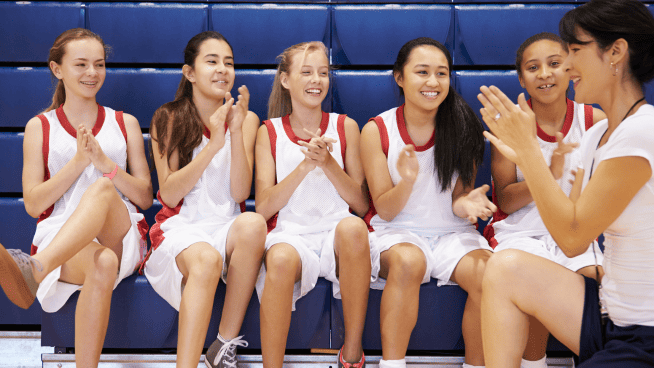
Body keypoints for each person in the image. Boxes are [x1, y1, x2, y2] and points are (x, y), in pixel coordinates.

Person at [478, 0, 654, 367]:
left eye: (574, 51)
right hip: (608, 315)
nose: (567, 67)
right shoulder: (599, 135)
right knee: (504, 267)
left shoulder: (642, 132)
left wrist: (528, 153)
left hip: (644, 332)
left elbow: (573, 238)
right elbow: (567, 234)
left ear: (616, 52)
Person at [0, 28, 152, 368]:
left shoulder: (123, 122)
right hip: (65, 238)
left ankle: (36, 268)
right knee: (103, 265)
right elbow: (34, 204)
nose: (92, 73)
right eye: (81, 64)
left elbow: (144, 197)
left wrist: (104, 165)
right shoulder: (40, 126)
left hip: (120, 233)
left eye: (98, 64)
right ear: (58, 70)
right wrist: (78, 163)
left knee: (101, 189)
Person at [360, 37, 495, 368]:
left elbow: (458, 199)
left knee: (490, 272)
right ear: (399, 77)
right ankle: (392, 364)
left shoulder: (464, 126)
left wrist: (467, 205)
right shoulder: (376, 130)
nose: (433, 82)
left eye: (442, 73)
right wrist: (407, 180)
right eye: (422, 72)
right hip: (396, 231)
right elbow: (386, 209)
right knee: (409, 262)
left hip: (452, 233)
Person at [484, 32, 606, 368]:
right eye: (533, 67)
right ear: (521, 78)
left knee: (593, 278)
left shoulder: (594, 121)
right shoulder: (508, 126)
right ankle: (533, 363)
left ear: (570, 68)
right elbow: (506, 201)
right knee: (531, 278)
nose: (545, 73)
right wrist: (546, 174)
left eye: (554, 64)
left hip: (575, 231)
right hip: (521, 232)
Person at [145, 31, 266, 368]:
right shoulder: (168, 117)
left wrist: (237, 131)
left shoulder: (248, 118)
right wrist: (213, 143)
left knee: (254, 222)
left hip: (226, 224)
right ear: (190, 73)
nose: (222, 70)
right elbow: (168, 193)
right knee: (207, 260)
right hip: (182, 228)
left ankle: (224, 345)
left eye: (228, 62)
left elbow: (241, 193)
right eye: (211, 61)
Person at [255, 41, 371, 368]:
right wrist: (306, 165)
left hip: (337, 232)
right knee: (278, 260)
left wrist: (328, 163)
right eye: (306, 72)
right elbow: (263, 208)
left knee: (354, 228)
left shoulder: (346, 126)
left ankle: (352, 354)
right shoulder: (269, 132)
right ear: (285, 80)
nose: (316, 80)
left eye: (322, 73)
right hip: (291, 233)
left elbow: (361, 204)